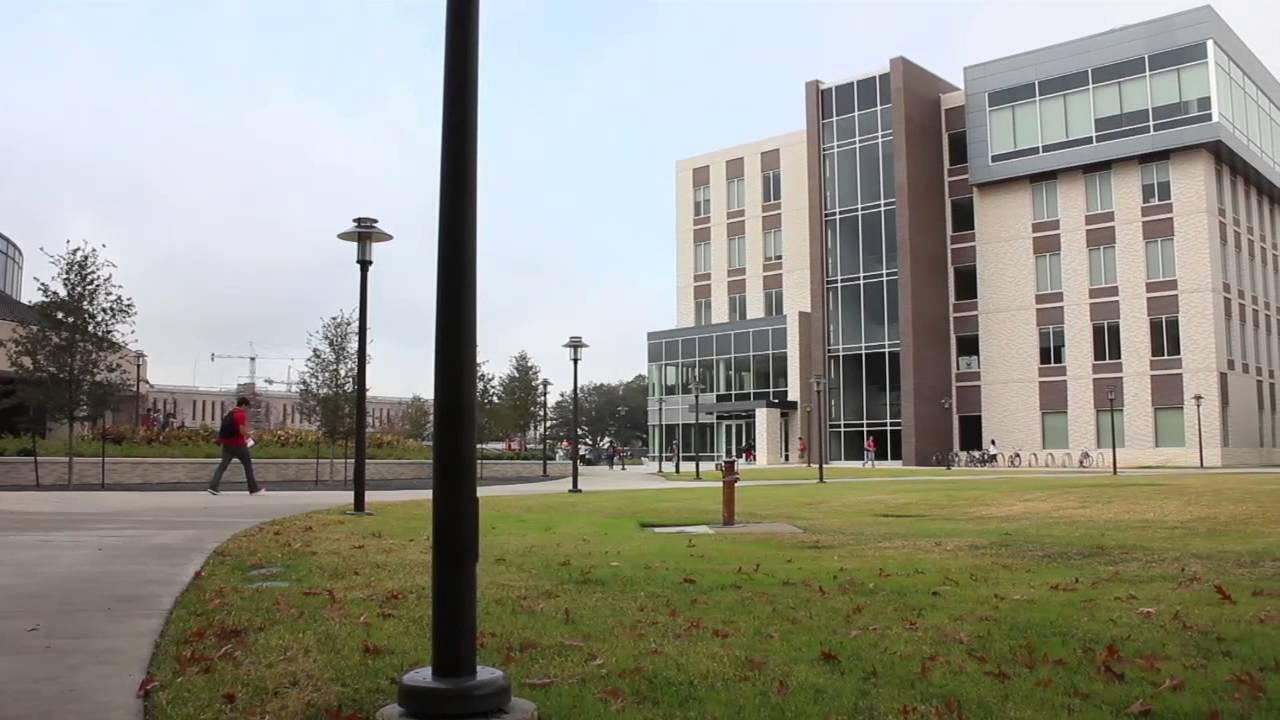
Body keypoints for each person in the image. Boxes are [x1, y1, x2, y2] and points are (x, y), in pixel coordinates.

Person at [207, 397, 263, 495]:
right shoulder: (241, 415)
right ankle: (253, 488)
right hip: (238, 445)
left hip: (227, 444)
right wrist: (250, 435)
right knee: (247, 466)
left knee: (222, 466)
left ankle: (213, 487)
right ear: (244, 405)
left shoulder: (230, 413)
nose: (247, 409)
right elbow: (241, 431)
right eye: (247, 407)